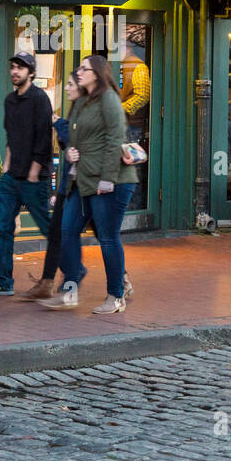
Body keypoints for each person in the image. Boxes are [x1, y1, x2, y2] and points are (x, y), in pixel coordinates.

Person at [40, 55, 138, 315]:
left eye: (84, 68)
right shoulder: (83, 102)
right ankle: (69, 290)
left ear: (97, 73)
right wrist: (70, 150)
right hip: (81, 181)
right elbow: (74, 137)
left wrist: (107, 179)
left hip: (111, 181)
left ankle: (116, 296)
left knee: (107, 238)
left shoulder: (109, 99)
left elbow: (115, 138)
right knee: (67, 232)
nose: (79, 72)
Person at [16, 73, 109, 301]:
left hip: (83, 185)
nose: (66, 88)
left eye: (70, 84)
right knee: (61, 232)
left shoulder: (87, 111)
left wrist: (58, 123)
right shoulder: (75, 109)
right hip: (69, 184)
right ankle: (53, 281)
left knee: (99, 236)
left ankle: (83, 277)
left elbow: (78, 141)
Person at [0, 52, 53, 296]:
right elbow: (11, 137)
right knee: (4, 229)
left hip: (34, 180)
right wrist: (6, 169)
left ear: (31, 72)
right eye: (13, 67)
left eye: (20, 68)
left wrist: (33, 173)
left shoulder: (40, 100)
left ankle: (72, 275)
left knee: (49, 228)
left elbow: (44, 141)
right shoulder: (10, 100)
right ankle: (2, 281)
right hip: (11, 179)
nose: (14, 71)